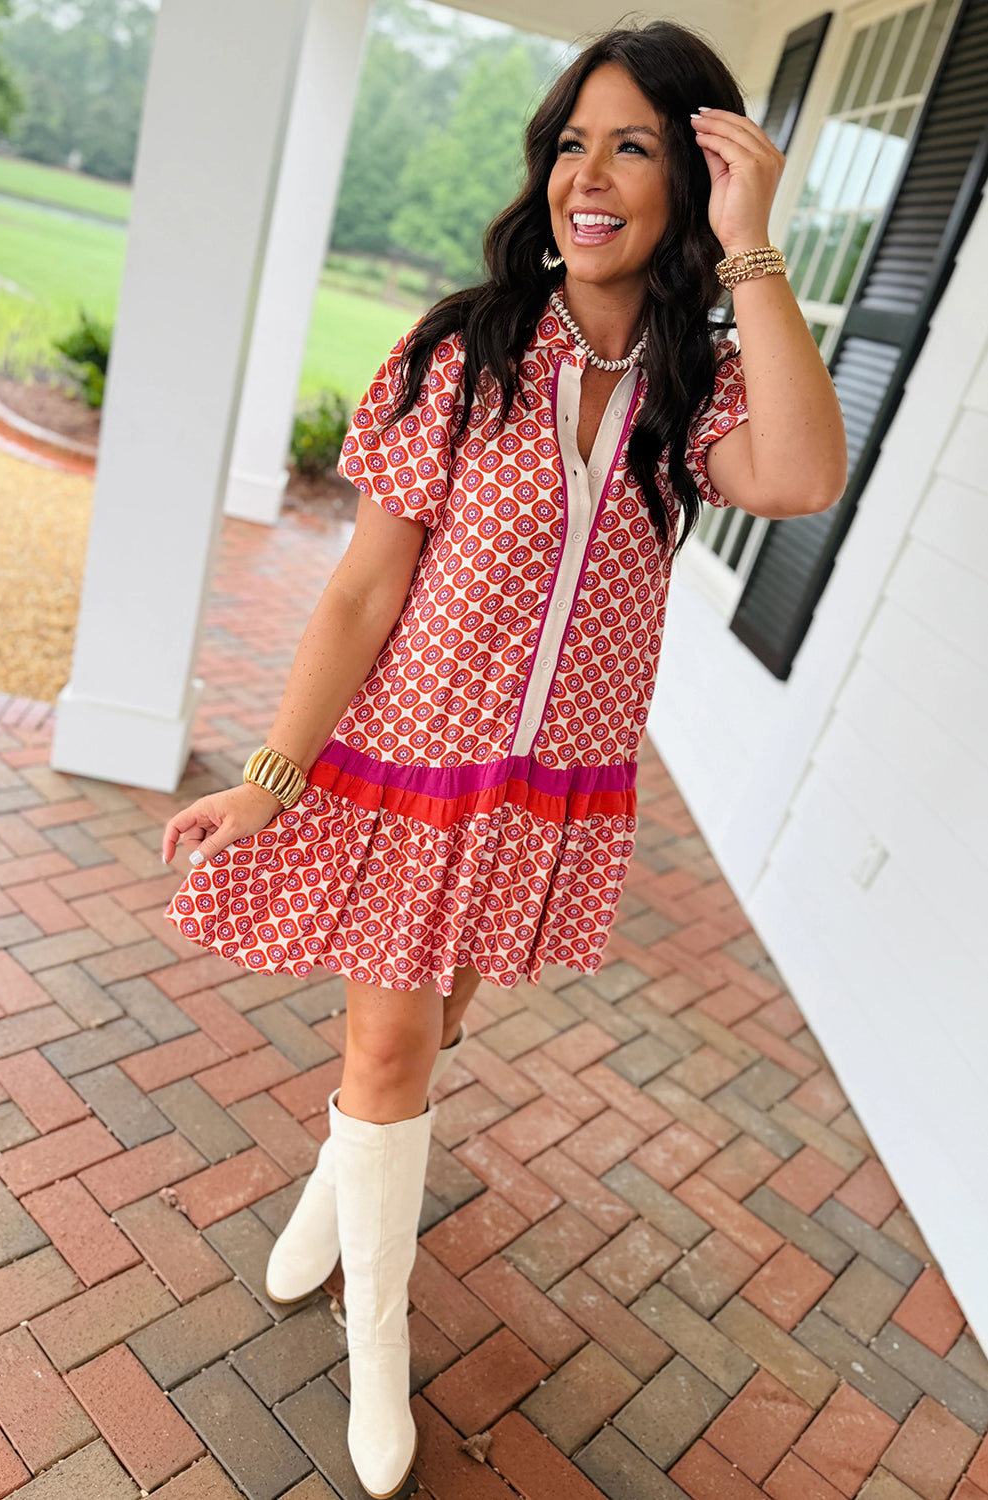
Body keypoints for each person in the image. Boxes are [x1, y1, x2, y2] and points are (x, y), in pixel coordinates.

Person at [161, 18, 846, 1498]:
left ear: (692, 180)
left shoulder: (695, 384)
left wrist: (753, 249)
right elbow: (362, 590)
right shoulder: (465, 351)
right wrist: (271, 779)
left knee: (426, 1042)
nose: (586, 178)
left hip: (547, 794)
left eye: (632, 147)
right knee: (389, 1052)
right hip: (414, 775)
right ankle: (377, 1351)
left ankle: (325, 1215)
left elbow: (800, 474)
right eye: (570, 144)